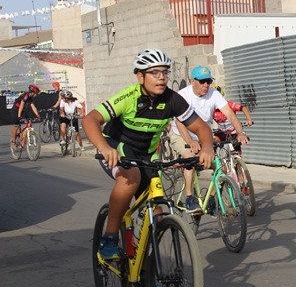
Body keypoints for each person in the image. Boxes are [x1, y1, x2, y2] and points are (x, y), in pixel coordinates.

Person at [82, 49, 215, 260]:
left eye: (165, 72)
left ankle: (147, 268)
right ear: (140, 76)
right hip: (117, 146)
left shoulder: (173, 100)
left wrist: (207, 147)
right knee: (131, 178)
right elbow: (90, 119)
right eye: (154, 72)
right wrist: (104, 148)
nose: (161, 77)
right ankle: (108, 238)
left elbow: (201, 127)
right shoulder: (129, 97)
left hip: (146, 153)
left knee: (158, 213)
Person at [169, 67, 249, 214]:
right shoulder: (183, 95)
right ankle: (189, 198)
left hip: (202, 136)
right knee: (190, 159)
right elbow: (179, 122)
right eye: (202, 82)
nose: (206, 85)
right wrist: (190, 141)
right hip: (181, 135)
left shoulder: (214, 94)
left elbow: (230, 115)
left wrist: (241, 132)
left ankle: (211, 199)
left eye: (208, 81)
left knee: (222, 167)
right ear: (192, 81)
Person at [212, 85, 253, 153]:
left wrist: (249, 119)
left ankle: (237, 159)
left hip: (233, 131)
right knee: (212, 144)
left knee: (236, 149)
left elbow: (243, 108)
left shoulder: (228, 104)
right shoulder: (211, 108)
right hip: (221, 132)